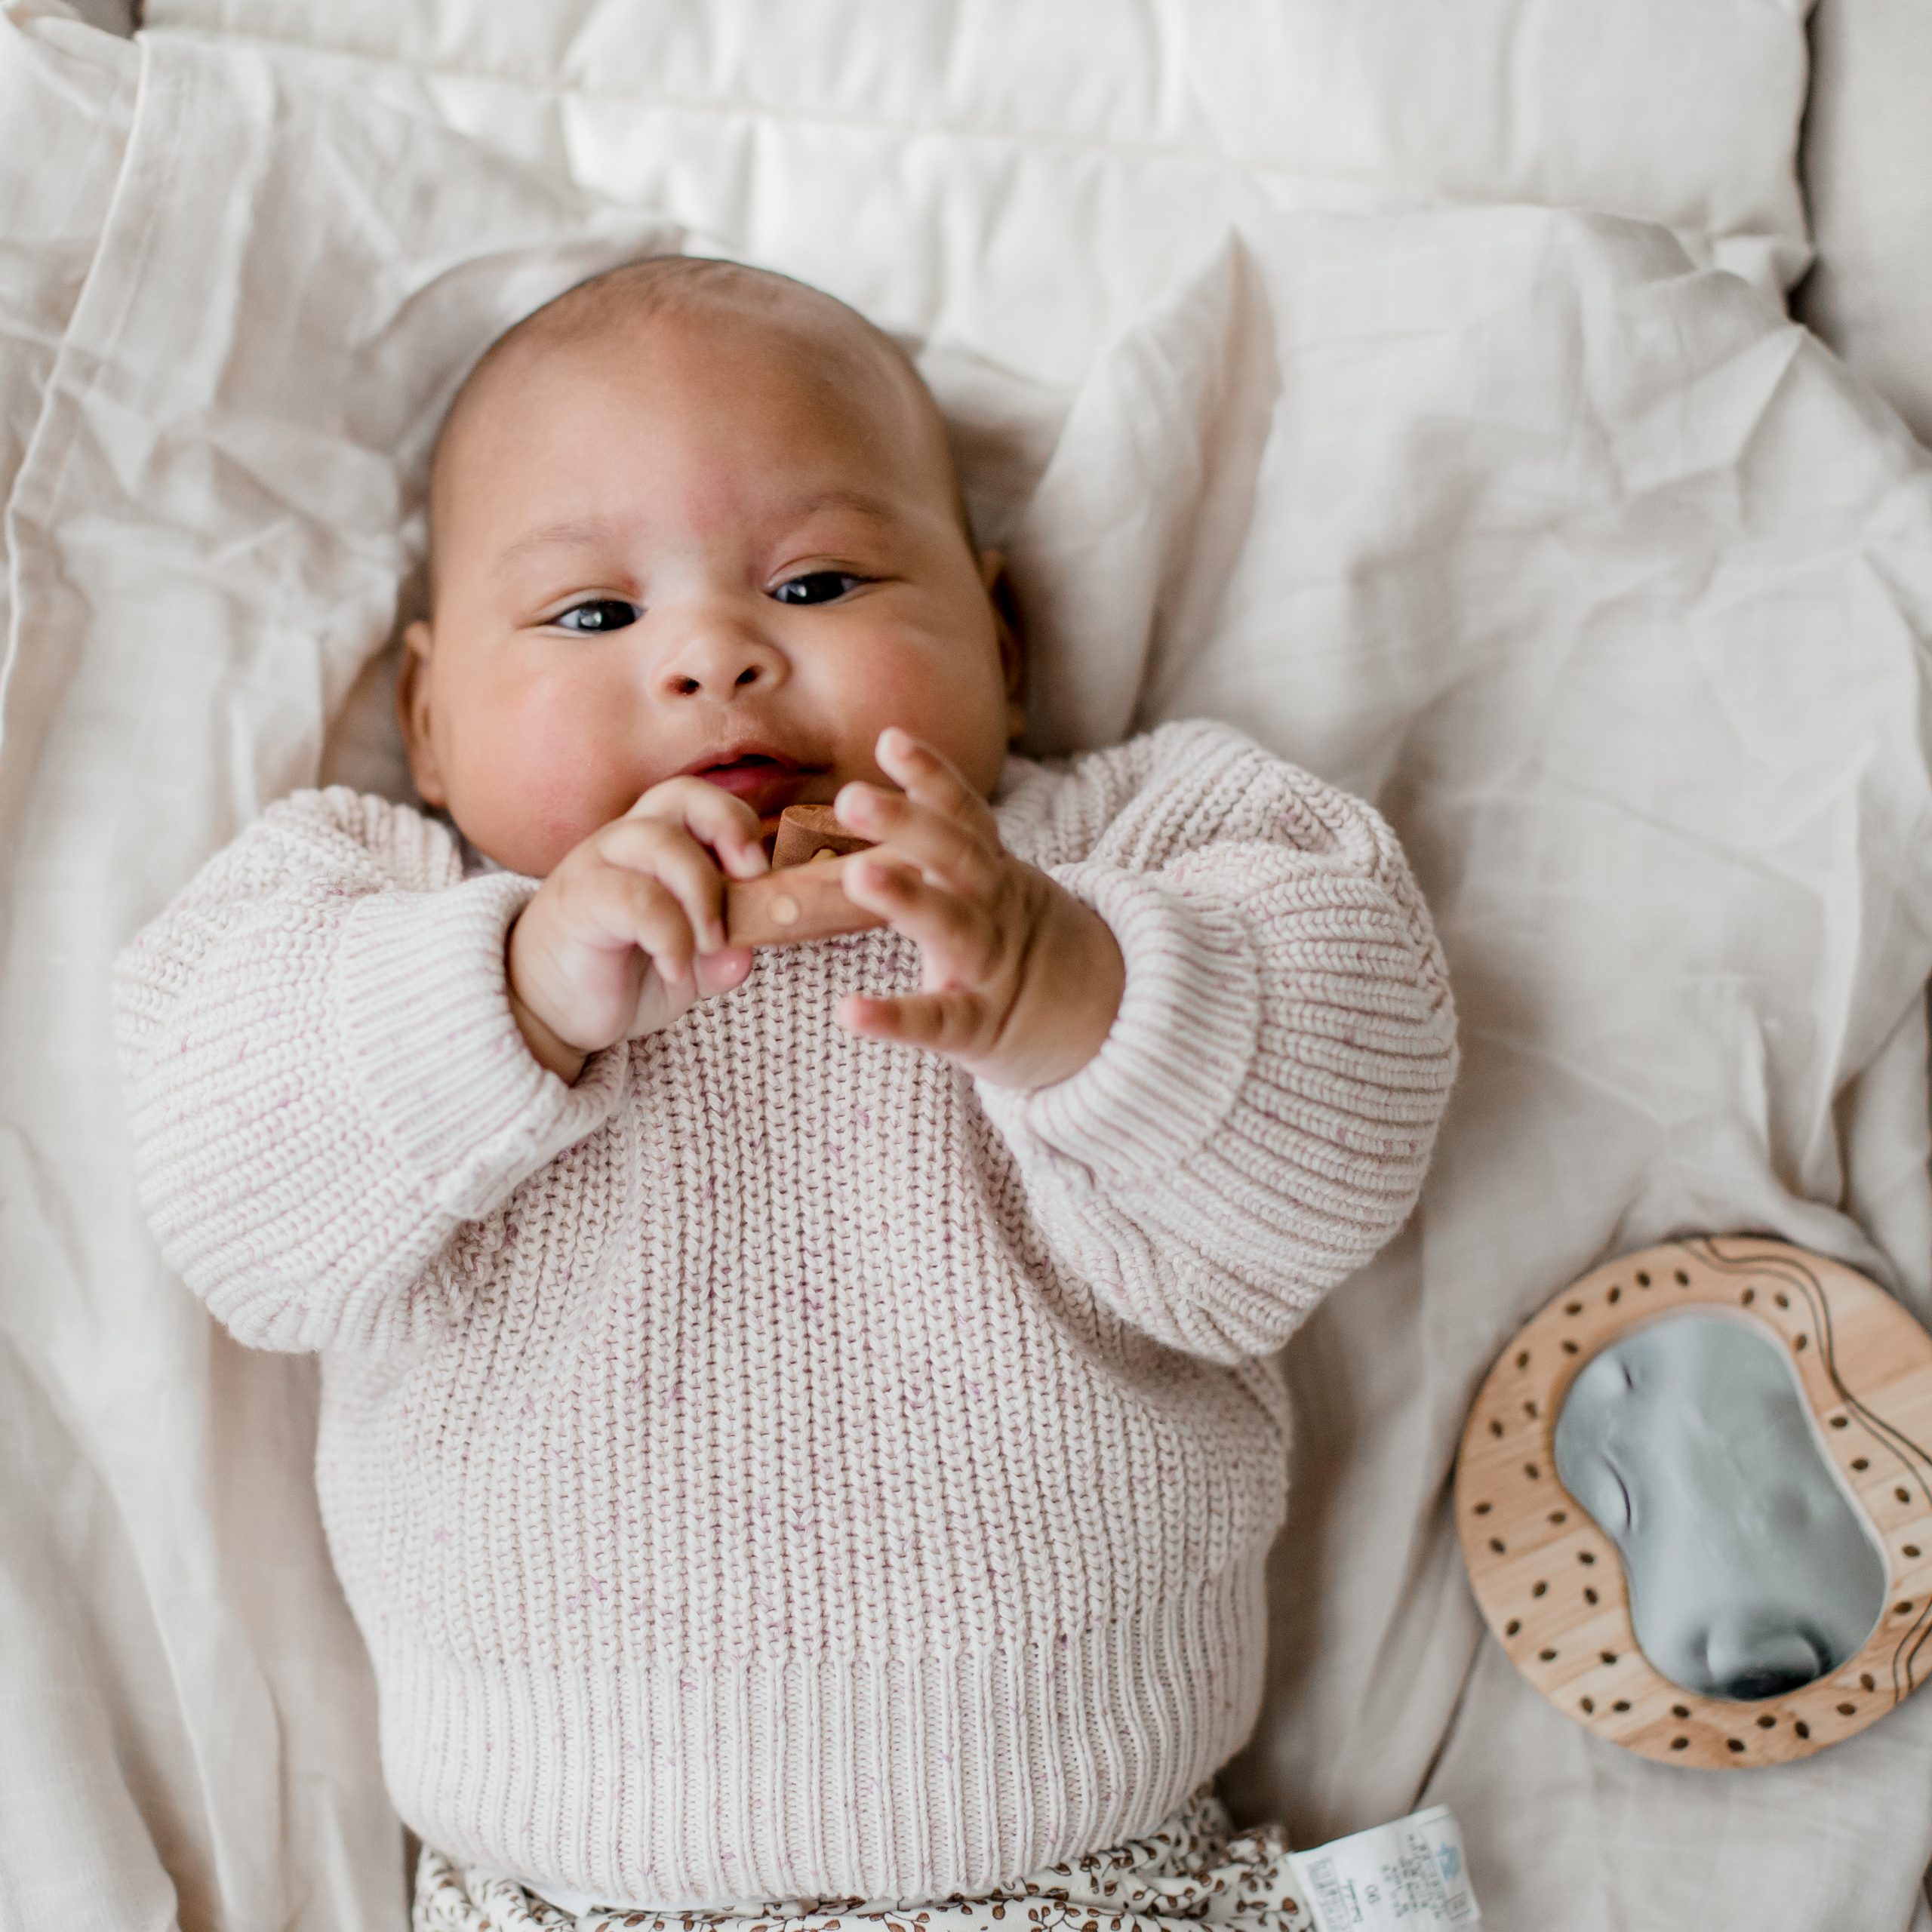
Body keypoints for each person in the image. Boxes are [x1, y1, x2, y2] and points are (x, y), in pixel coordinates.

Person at [112, 256, 1460, 1929]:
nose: (714, 657)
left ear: (1004, 643)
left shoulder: (1127, 854)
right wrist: (515, 989)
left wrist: (1065, 983)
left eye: (816, 580)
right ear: (427, 717)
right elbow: (218, 1188)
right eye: (594, 615)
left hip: (1086, 1866)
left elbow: (1350, 1115)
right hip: (560, 1888)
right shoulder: (375, 920)